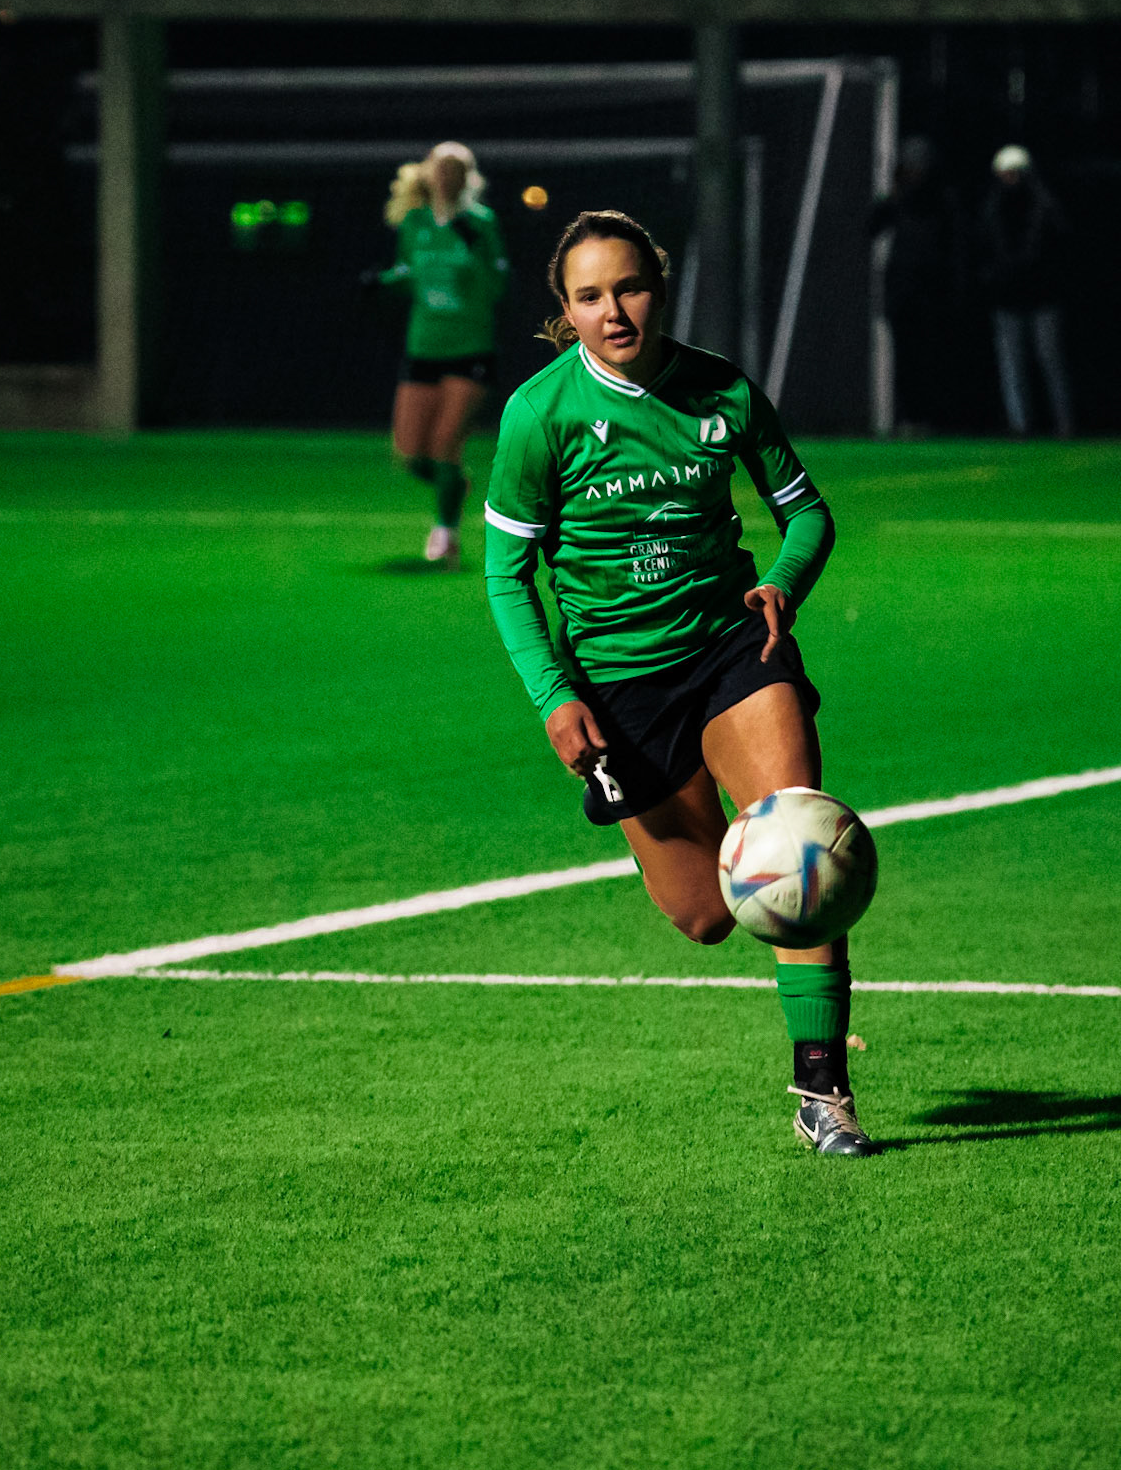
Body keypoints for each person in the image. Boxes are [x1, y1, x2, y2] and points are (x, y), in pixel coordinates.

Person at [483, 209, 877, 1158]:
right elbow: (506, 574)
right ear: (565, 311)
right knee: (704, 914)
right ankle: (792, 989)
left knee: (800, 844)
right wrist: (553, 695)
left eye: (629, 287)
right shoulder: (540, 416)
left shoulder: (722, 392)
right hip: (618, 687)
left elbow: (807, 515)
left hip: (729, 649)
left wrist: (780, 584)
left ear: (657, 284)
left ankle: (823, 1093)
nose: (613, 311)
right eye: (589, 296)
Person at [367, 141, 509, 564]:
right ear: (428, 173)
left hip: (470, 347)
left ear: (469, 177)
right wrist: (384, 281)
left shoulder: (481, 223)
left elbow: (497, 286)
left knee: (447, 446)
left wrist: (478, 253)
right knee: (411, 456)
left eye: (456, 169)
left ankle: (445, 533)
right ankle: (454, 484)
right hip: (424, 345)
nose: (447, 176)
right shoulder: (415, 222)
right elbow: (410, 272)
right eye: (440, 168)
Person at [869, 136, 968, 432]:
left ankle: (930, 418)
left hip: (932, 294)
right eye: (911, 166)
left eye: (920, 166)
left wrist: (956, 289)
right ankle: (908, 417)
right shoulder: (898, 200)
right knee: (905, 360)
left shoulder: (943, 200)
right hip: (903, 294)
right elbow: (871, 227)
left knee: (931, 360)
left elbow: (956, 247)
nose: (916, 172)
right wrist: (888, 197)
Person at [977, 144, 1074, 437]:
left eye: (1014, 174)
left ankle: (1063, 423)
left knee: (1050, 360)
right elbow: (984, 247)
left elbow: (1061, 243)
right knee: (1012, 364)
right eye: (1004, 174)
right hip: (1008, 297)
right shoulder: (992, 208)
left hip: (1043, 295)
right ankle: (1020, 425)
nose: (1009, 180)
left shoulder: (1044, 206)